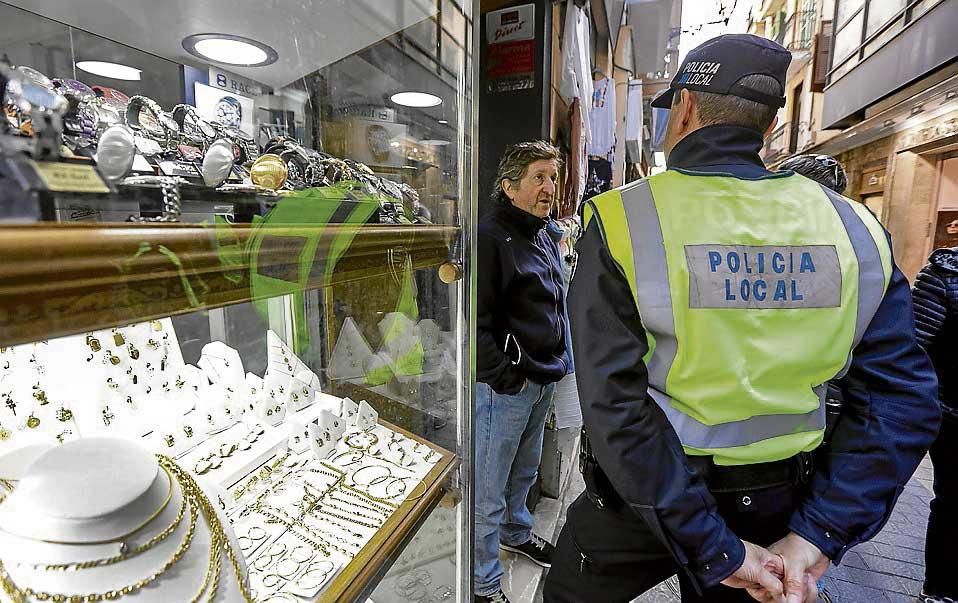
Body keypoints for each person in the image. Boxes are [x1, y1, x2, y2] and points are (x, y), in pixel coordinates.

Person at [543, 33, 940, 603]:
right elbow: (902, 402)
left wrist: (711, 546)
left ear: (684, 108)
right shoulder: (854, 230)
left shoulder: (625, 220)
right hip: (781, 508)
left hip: (645, 501)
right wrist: (818, 533)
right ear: (768, 126)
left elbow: (614, 408)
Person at [475, 141, 571, 603]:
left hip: (542, 379)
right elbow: (474, 323)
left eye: (553, 177)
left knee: (525, 472)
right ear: (510, 186)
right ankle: (483, 582)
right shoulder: (490, 237)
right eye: (539, 177)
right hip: (507, 387)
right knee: (488, 487)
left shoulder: (545, 233)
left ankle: (517, 533)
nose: (550, 187)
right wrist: (505, 375)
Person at [913, 251, 958, 603]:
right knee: (953, 502)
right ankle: (940, 590)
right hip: (951, 413)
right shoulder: (947, 272)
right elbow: (910, 346)